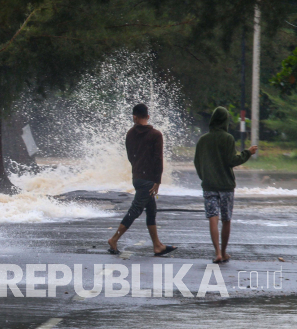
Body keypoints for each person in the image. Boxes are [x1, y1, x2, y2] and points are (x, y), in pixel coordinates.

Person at [106, 103, 177, 256]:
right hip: (148, 180)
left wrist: (138, 169)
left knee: (151, 210)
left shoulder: (130, 134)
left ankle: (157, 245)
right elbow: (158, 159)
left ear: (134, 117)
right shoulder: (156, 135)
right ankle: (114, 239)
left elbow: (130, 156)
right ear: (148, 117)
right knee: (136, 209)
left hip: (137, 177)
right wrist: (157, 181)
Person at [193, 106, 257, 264]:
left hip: (209, 186)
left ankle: (217, 253)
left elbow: (197, 162)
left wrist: (204, 177)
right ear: (225, 121)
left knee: (212, 218)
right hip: (226, 186)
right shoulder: (228, 138)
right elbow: (232, 160)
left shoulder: (203, 140)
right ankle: (224, 251)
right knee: (226, 219)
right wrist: (248, 152)